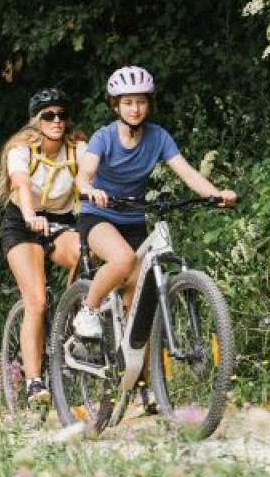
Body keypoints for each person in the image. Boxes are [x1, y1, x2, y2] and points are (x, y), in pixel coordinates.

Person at [72, 65, 236, 340]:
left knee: (139, 295)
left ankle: (135, 374)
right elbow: (84, 174)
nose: (134, 109)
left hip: (133, 217)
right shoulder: (104, 137)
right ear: (116, 106)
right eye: (127, 102)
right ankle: (88, 311)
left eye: (140, 102)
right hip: (98, 214)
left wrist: (216, 194)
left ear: (149, 104)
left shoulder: (159, 137)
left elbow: (187, 173)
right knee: (123, 259)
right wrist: (89, 188)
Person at [0, 87, 87, 405]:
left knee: (85, 252)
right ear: (36, 121)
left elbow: (92, 180)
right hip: (23, 222)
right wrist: (31, 215)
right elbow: (20, 185)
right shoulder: (20, 150)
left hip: (62, 222)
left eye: (62, 114)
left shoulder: (77, 149)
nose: (57, 120)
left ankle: (73, 317)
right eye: (48, 115)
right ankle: (34, 381)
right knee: (35, 301)